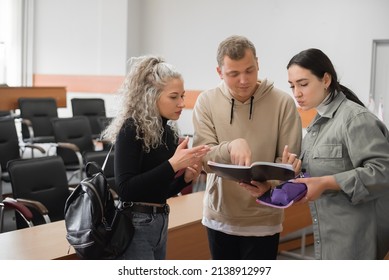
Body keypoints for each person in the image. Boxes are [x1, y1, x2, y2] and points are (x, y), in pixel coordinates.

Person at [247, 48, 389, 259]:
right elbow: (314, 179)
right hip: (328, 236)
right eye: (292, 86)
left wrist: (327, 182)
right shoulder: (317, 124)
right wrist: (275, 187)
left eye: (303, 84)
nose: (296, 93)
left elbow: (382, 172)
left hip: (355, 239)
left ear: (325, 80)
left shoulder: (354, 119)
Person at [192, 35, 302, 260]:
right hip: (219, 217)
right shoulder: (206, 102)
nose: (243, 80)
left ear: (258, 64)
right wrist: (230, 147)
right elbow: (203, 159)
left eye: (250, 70)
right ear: (219, 72)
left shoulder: (283, 103)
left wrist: (269, 184)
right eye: (234, 74)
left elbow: (289, 162)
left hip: (265, 218)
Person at [101, 55, 210, 260]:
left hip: (160, 219)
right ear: (152, 96)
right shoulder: (131, 129)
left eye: (182, 96)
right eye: (174, 96)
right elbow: (126, 189)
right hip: (135, 223)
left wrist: (184, 179)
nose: (181, 103)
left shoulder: (168, 134)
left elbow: (159, 192)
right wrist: (173, 164)